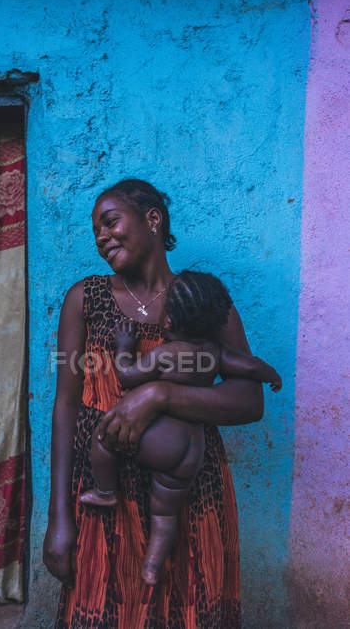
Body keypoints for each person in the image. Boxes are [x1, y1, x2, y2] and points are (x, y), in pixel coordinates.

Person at [43, 179, 264, 628]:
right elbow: (66, 406)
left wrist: (159, 394)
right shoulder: (84, 300)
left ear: (153, 218)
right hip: (102, 495)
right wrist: (57, 516)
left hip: (186, 490)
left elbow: (248, 400)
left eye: (110, 222)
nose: (102, 237)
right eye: (96, 232)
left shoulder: (200, 299)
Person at [79, 270, 281, 586]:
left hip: (161, 439)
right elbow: (251, 366)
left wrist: (124, 347)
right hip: (191, 448)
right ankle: (152, 565)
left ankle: (106, 492)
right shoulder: (215, 353)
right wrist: (272, 375)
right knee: (165, 513)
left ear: (169, 322)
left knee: (103, 437)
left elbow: (128, 376)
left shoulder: (165, 353)